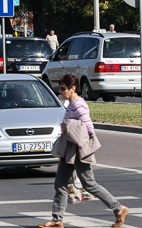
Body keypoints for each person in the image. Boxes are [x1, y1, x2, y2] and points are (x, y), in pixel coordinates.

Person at [37, 74, 128, 228]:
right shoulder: (70, 104)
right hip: (69, 150)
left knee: (89, 184)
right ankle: (57, 220)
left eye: (63, 89)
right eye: (60, 88)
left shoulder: (79, 105)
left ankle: (119, 208)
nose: (61, 92)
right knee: (60, 184)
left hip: (79, 150)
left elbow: (89, 129)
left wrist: (68, 127)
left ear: (73, 89)